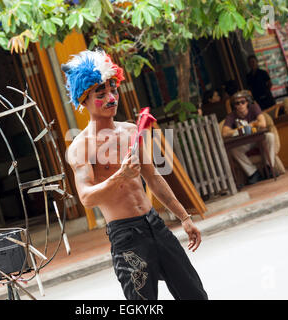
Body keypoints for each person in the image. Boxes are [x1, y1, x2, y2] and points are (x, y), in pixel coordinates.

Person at [63, 50, 208, 300]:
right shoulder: (80, 146)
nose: (111, 98)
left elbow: (153, 178)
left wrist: (184, 216)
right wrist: (120, 175)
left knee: (194, 294)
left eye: (113, 90)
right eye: (101, 94)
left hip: (155, 225)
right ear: (83, 100)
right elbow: (86, 198)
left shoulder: (131, 131)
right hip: (126, 236)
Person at [222, 91, 276, 185]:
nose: (240, 105)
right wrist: (241, 130)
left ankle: (269, 168)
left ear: (247, 102)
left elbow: (263, 123)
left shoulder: (254, 108)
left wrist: (251, 125)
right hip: (246, 142)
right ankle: (253, 173)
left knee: (270, 137)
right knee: (233, 149)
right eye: (237, 103)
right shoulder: (231, 116)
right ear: (234, 105)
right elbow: (225, 133)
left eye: (243, 102)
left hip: (259, 139)